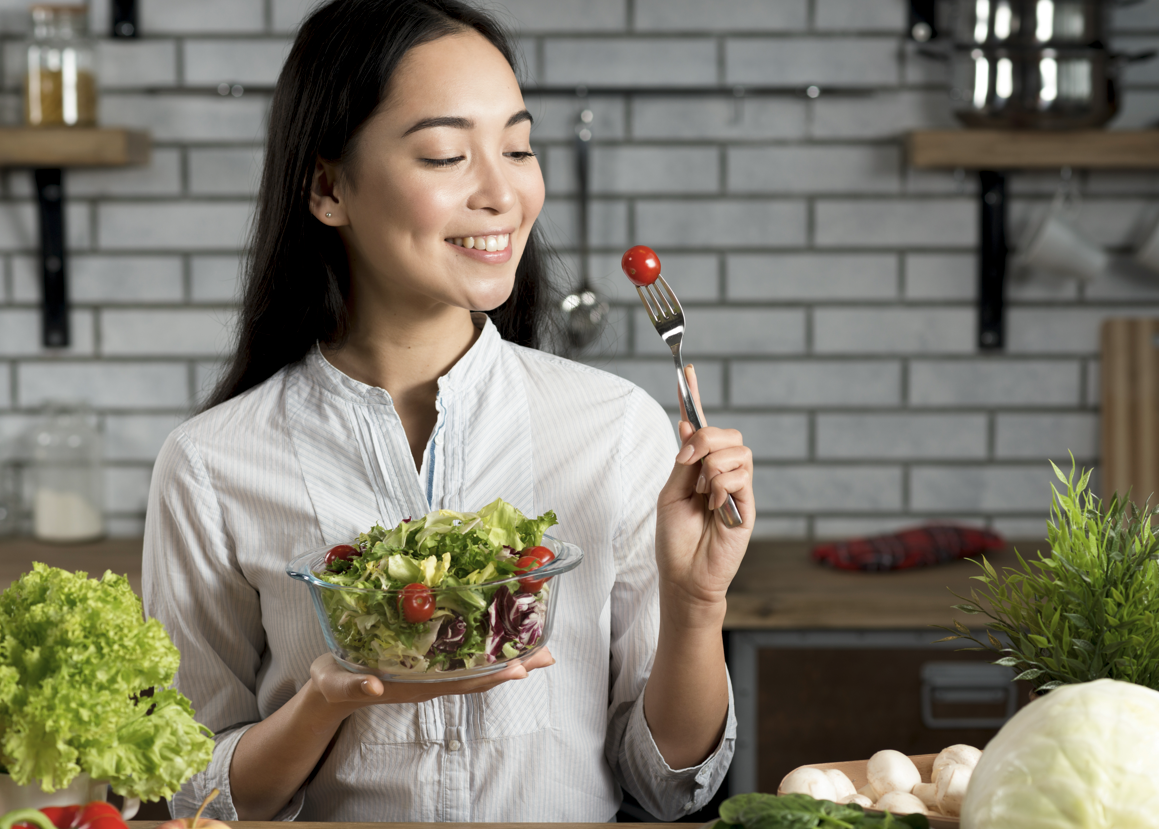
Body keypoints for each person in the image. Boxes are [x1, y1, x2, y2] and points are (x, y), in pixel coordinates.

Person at [141, 0, 755, 823]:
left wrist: (697, 605)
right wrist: (326, 700)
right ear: (328, 186)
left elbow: (667, 781)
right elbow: (193, 790)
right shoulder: (213, 462)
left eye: (517, 146)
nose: (504, 191)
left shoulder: (614, 430)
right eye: (444, 154)